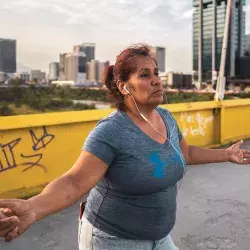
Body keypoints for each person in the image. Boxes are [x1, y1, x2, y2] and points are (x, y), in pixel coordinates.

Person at [0, 44, 249, 250]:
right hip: (113, 240)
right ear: (123, 86)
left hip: (160, 239)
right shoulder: (111, 131)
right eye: (144, 75)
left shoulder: (166, 118)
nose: (156, 81)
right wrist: (34, 207)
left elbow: (186, 153)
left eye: (156, 73)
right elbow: (75, 181)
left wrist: (226, 154)